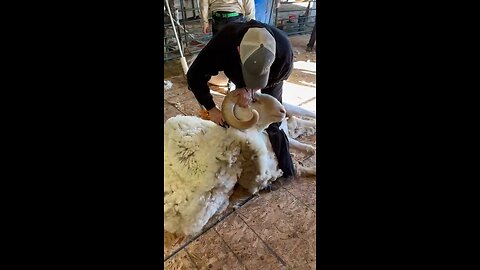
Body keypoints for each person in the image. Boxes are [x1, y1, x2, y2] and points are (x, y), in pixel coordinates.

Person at [187, 20, 295, 177]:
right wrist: (211, 108)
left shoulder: (284, 51)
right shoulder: (223, 43)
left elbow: (280, 77)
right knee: (240, 113)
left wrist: (251, 90)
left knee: (275, 119)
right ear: (238, 50)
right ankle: (244, 156)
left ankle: (285, 169)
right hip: (237, 69)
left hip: (271, 77)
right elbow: (195, 75)